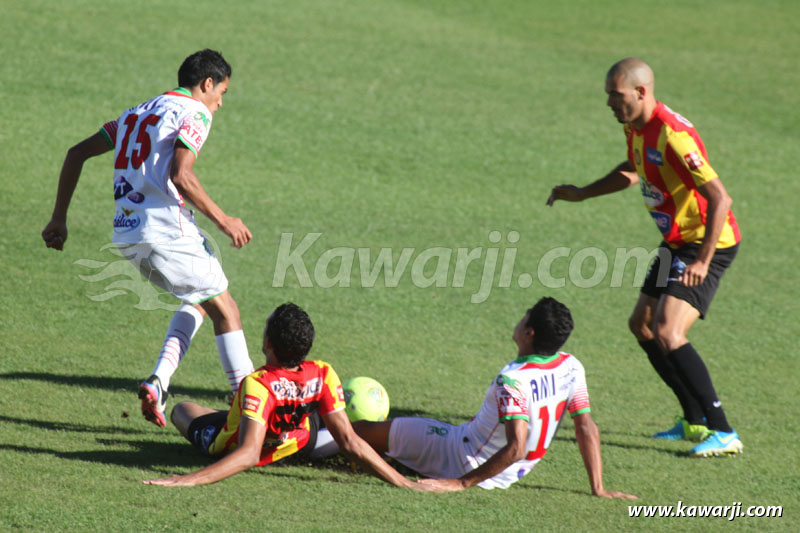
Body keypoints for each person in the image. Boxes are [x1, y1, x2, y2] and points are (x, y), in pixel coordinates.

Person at [42, 49, 255, 428]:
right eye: (221, 91)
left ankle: (159, 381)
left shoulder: (132, 114)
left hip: (128, 236)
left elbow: (76, 153)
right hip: (166, 231)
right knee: (229, 310)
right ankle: (255, 415)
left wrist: (59, 218)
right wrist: (225, 220)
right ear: (206, 84)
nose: (220, 102)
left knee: (204, 298)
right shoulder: (195, 112)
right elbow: (182, 174)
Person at [547, 58, 742, 457]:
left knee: (670, 331)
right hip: (676, 242)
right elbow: (635, 169)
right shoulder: (635, 126)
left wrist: (703, 261)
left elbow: (721, 198)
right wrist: (583, 192)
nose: (609, 104)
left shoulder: (674, 135)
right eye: (607, 96)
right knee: (643, 325)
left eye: (615, 96)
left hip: (708, 243)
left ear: (640, 91)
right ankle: (694, 419)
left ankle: (724, 431)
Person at [351, 298, 636, 497]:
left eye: (525, 315)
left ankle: (310, 438)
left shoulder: (513, 379)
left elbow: (517, 447)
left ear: (529, 331)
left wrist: (461, 484)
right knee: (383, 439)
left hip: (461, 455)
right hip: (506, 475)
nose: (520, 318)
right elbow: (585, 426)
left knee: (355, 431)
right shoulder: (571, 366)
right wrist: (598, 487)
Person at [143, 303, 438, 491]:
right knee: (331, 425)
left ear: (268, 343)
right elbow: (349, 441)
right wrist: (403, 483)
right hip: (301, 443)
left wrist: (186, 479)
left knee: (183, 410)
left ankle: (236, 418)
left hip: (232, 447)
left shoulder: (257, 383)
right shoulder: (323, 373)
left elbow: (247, 454)